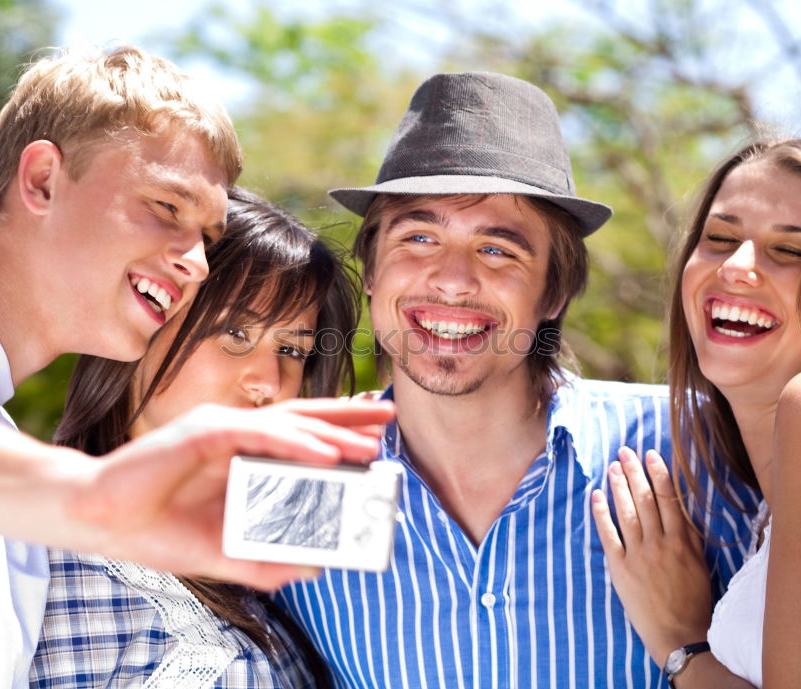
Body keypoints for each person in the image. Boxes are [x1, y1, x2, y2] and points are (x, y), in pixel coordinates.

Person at [0, 45, 391, 688]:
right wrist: (95, 500)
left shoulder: (17, 513)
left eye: (207, 238)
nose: (197, 263)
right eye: (167, 208)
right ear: (42, 179)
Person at [274, 71, 760, 688]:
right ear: (370, 272)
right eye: (418, 237)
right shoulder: (304, 477)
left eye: (497, 250)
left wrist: (685, 647)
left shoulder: (694, 445)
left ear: (554, 290)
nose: (451, 280)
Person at [590, 136, 801, 688]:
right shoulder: (765, 509)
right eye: (720, 238)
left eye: (791, 251)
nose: (736, 266)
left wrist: (680, 643)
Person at [29, 187, 358, 688]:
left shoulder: (291, 542)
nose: (268, 382)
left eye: (291, 349)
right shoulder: (30, 560)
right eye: (236, 335)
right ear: (147, 321)